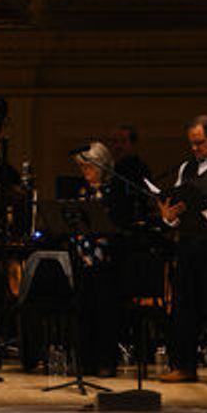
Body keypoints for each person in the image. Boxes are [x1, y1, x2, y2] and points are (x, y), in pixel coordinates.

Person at [157, 115, 207, 383]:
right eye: (192, 144)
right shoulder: (186, 167)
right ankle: (184, 365)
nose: (195, 149)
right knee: (184, 305)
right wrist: (168, 216)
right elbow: (179, 204)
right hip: (188, 242)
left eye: (200, 143)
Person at [67, 142, 134, 378]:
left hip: (107, 261)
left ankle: (106, 361)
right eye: (82, 167)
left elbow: (121, 225)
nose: (85, 172)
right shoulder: (83, 191)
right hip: (84, 258)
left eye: (89, 167)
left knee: (106, 313)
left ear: (102, 166)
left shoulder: (115, 191)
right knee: (84, 312)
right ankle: (86, 362)